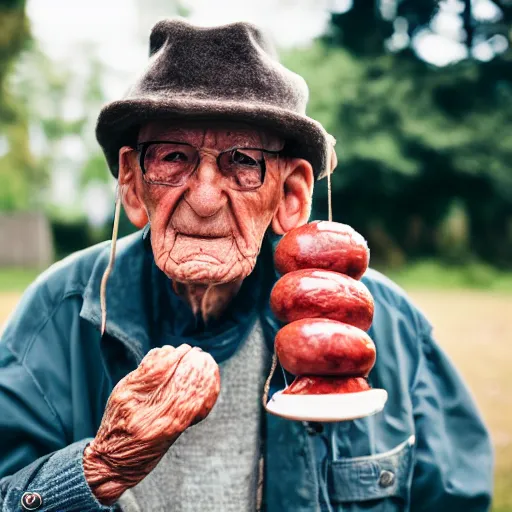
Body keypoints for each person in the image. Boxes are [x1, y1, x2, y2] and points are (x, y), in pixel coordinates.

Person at [0, 18, 493, 512]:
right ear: (132, 183)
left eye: (242, 160)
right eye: (173, 156)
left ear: (292, 194)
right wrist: (100, 467)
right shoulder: (57, 316)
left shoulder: (383, 323)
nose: (207, 198)